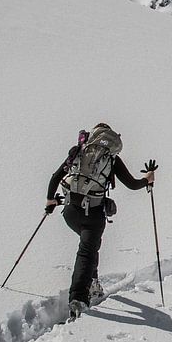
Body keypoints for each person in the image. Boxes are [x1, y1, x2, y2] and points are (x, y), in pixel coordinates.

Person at [46, 123, 155, 319]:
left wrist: (50, 201)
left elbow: (56, 177)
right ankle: (78, 298)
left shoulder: (79, 151)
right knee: (87, 252)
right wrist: (148, 178)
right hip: (93, 214)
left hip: (70, 211)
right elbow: (131, 184)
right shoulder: (111, 158)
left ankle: (93, 282)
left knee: (88, 246)